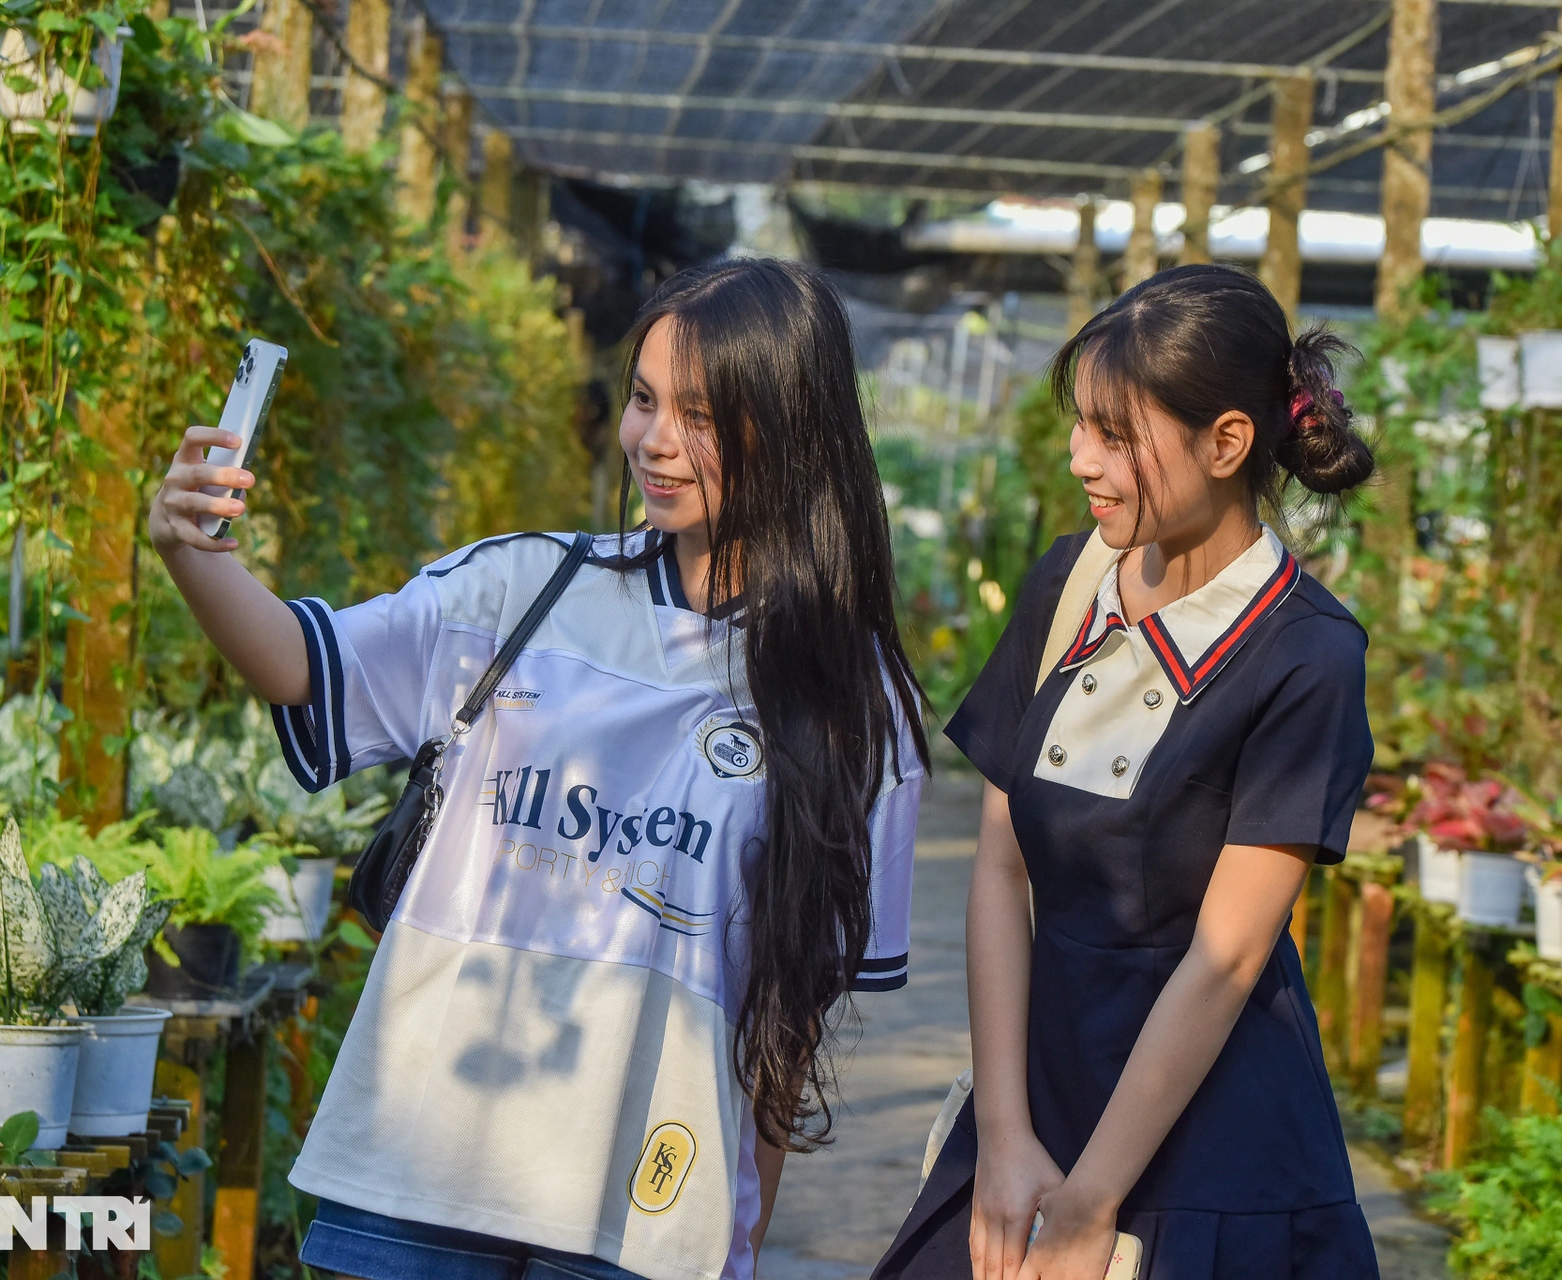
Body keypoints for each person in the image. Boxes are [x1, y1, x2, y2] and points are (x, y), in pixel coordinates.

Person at [148, 258, 930, 1280]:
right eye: (644, 400)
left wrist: (731, 1236)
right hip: (416, 1173)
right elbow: (305, 668)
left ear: (788, 425)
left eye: (698, 412)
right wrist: (190, 551)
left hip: (640, 1219)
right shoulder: (523, 588)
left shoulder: (856, 705)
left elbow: (789, 1016)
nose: (653, 439)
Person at [874, 264, 1380, 1280]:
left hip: (1213, 1148)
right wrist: (1006, 1135)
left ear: (1228, 441)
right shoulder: (1070, 582)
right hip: (1038, 1095)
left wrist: (1092, 1197)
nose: (1080, 459)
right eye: (1081, 427)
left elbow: (1229, 958)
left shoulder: (1305, 653)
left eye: (1115, 434)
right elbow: (1001, 869)